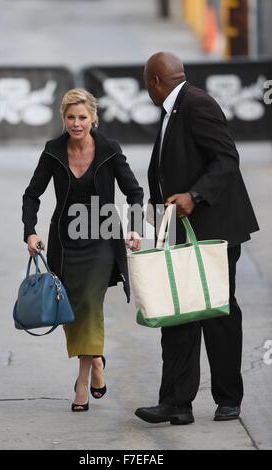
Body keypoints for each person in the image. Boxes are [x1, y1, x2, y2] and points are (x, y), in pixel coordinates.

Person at [135, 52, 259, 425]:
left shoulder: (197, 104)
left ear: (156, 81)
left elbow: (225, 158)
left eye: (147, 84)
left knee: (218, 312)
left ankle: (228, 398)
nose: (147, 90)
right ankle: (176, 402)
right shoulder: (175, 108)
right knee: (178, 315)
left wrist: (195, 195)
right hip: (181, 229)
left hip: (213, 230)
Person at [22, 88, 143, 412]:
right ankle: (97, 364)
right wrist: (30, 232)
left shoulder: (108, 149)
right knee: (71, 307)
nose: (77, 123)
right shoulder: (53, 151)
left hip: (102, 237)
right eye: (71, 117)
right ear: (64, 118)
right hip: (65, 241)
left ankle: (81, 379)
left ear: (93, 118)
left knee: (90, 302)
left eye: (83, 117)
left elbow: (134, 192)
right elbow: (32, 194)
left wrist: (133, 227)